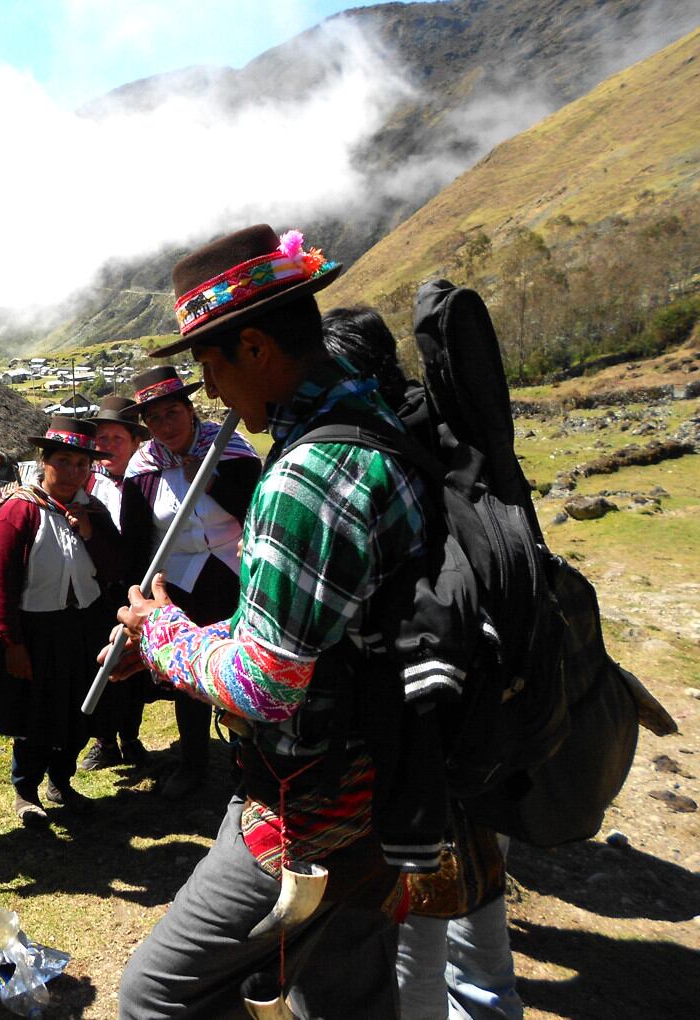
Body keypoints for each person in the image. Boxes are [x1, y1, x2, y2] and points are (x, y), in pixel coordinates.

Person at [110, 224, 426, 1018]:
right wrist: (181, 645)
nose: (211, 394)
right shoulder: (378, 423)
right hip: (390, 779)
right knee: (343, 993)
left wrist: (164, 636)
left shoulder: (305, 476)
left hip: (311, 809)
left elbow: (268, 682)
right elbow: (318, 634)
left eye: (212, 367)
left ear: (255, 349)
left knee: (155, 997)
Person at [321, 307, 523, 1020]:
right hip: (488, 713)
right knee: (484, 912)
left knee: (418, 943)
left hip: (429, 727)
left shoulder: (379, 453)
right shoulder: (453, 439)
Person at [119, 365, 262, 800]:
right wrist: (138, 593)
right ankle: (194, 764)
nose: (166, 426)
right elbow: (136, 539)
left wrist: (210, 475)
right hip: (179, 584)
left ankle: (252, 763)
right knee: (188, 674)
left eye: (172, 413)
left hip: (236, 575)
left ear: (189, 410)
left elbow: (254, 508)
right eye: (155, 419)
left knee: (246, 664)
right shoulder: (142, 472)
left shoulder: (231, 449)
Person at [0, 417, 122, 825]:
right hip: (36, 631)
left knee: (80, 710)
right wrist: (11, 643)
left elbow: (115, 568)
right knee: (34, 714)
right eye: (64, 461)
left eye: (82, 464)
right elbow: (0, 584)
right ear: (44, 461)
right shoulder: (18, 511)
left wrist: (91, 532)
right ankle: (26, 792)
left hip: (85, 628)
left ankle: (61, 781)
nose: (74, 472)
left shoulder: (92, 510)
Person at [79, 395, 153, 771]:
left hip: (140, 588)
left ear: (135, 442)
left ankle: (131, 736)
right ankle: (104, 741)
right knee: (102, 661)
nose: (106, 446)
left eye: (116, 438)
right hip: (101, 591)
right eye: (101, 438)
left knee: (135, 668)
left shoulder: (150, 483)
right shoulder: (88, 485)